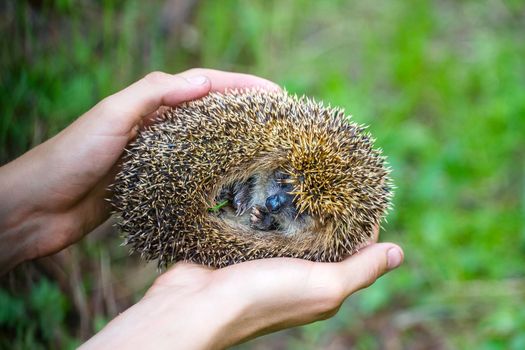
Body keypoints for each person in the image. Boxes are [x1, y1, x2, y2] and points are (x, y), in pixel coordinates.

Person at [0, 68, 404, 349]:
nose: (280, 200)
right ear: (280, 159)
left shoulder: (307, 230)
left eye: (297, 211)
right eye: (283, 182)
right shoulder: (265, 147)